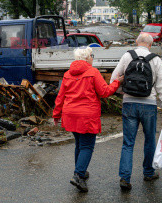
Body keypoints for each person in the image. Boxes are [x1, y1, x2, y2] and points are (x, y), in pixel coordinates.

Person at [53, 47, 124, 192]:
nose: (93, 58)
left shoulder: (67, 74)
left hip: (70, 115)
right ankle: (78, 175)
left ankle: (80, 171)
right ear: (87, 58)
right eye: (92, 55)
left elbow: (60, 97)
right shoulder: (93, 72)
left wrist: (56, 114)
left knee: (79, 144)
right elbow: (104, 92)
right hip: (86, 116)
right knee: (87, 146)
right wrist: (117, 82)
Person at [110, 33, 162, 191]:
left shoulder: (127, 56)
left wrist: (123, 92)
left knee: (128, 142)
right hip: (149, 105)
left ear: (137, 42)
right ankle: (148, 172)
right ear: (150, 45)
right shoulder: (155, 59)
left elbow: (113, 79)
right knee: (150, 139)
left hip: (129, 104)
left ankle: (125, 177)